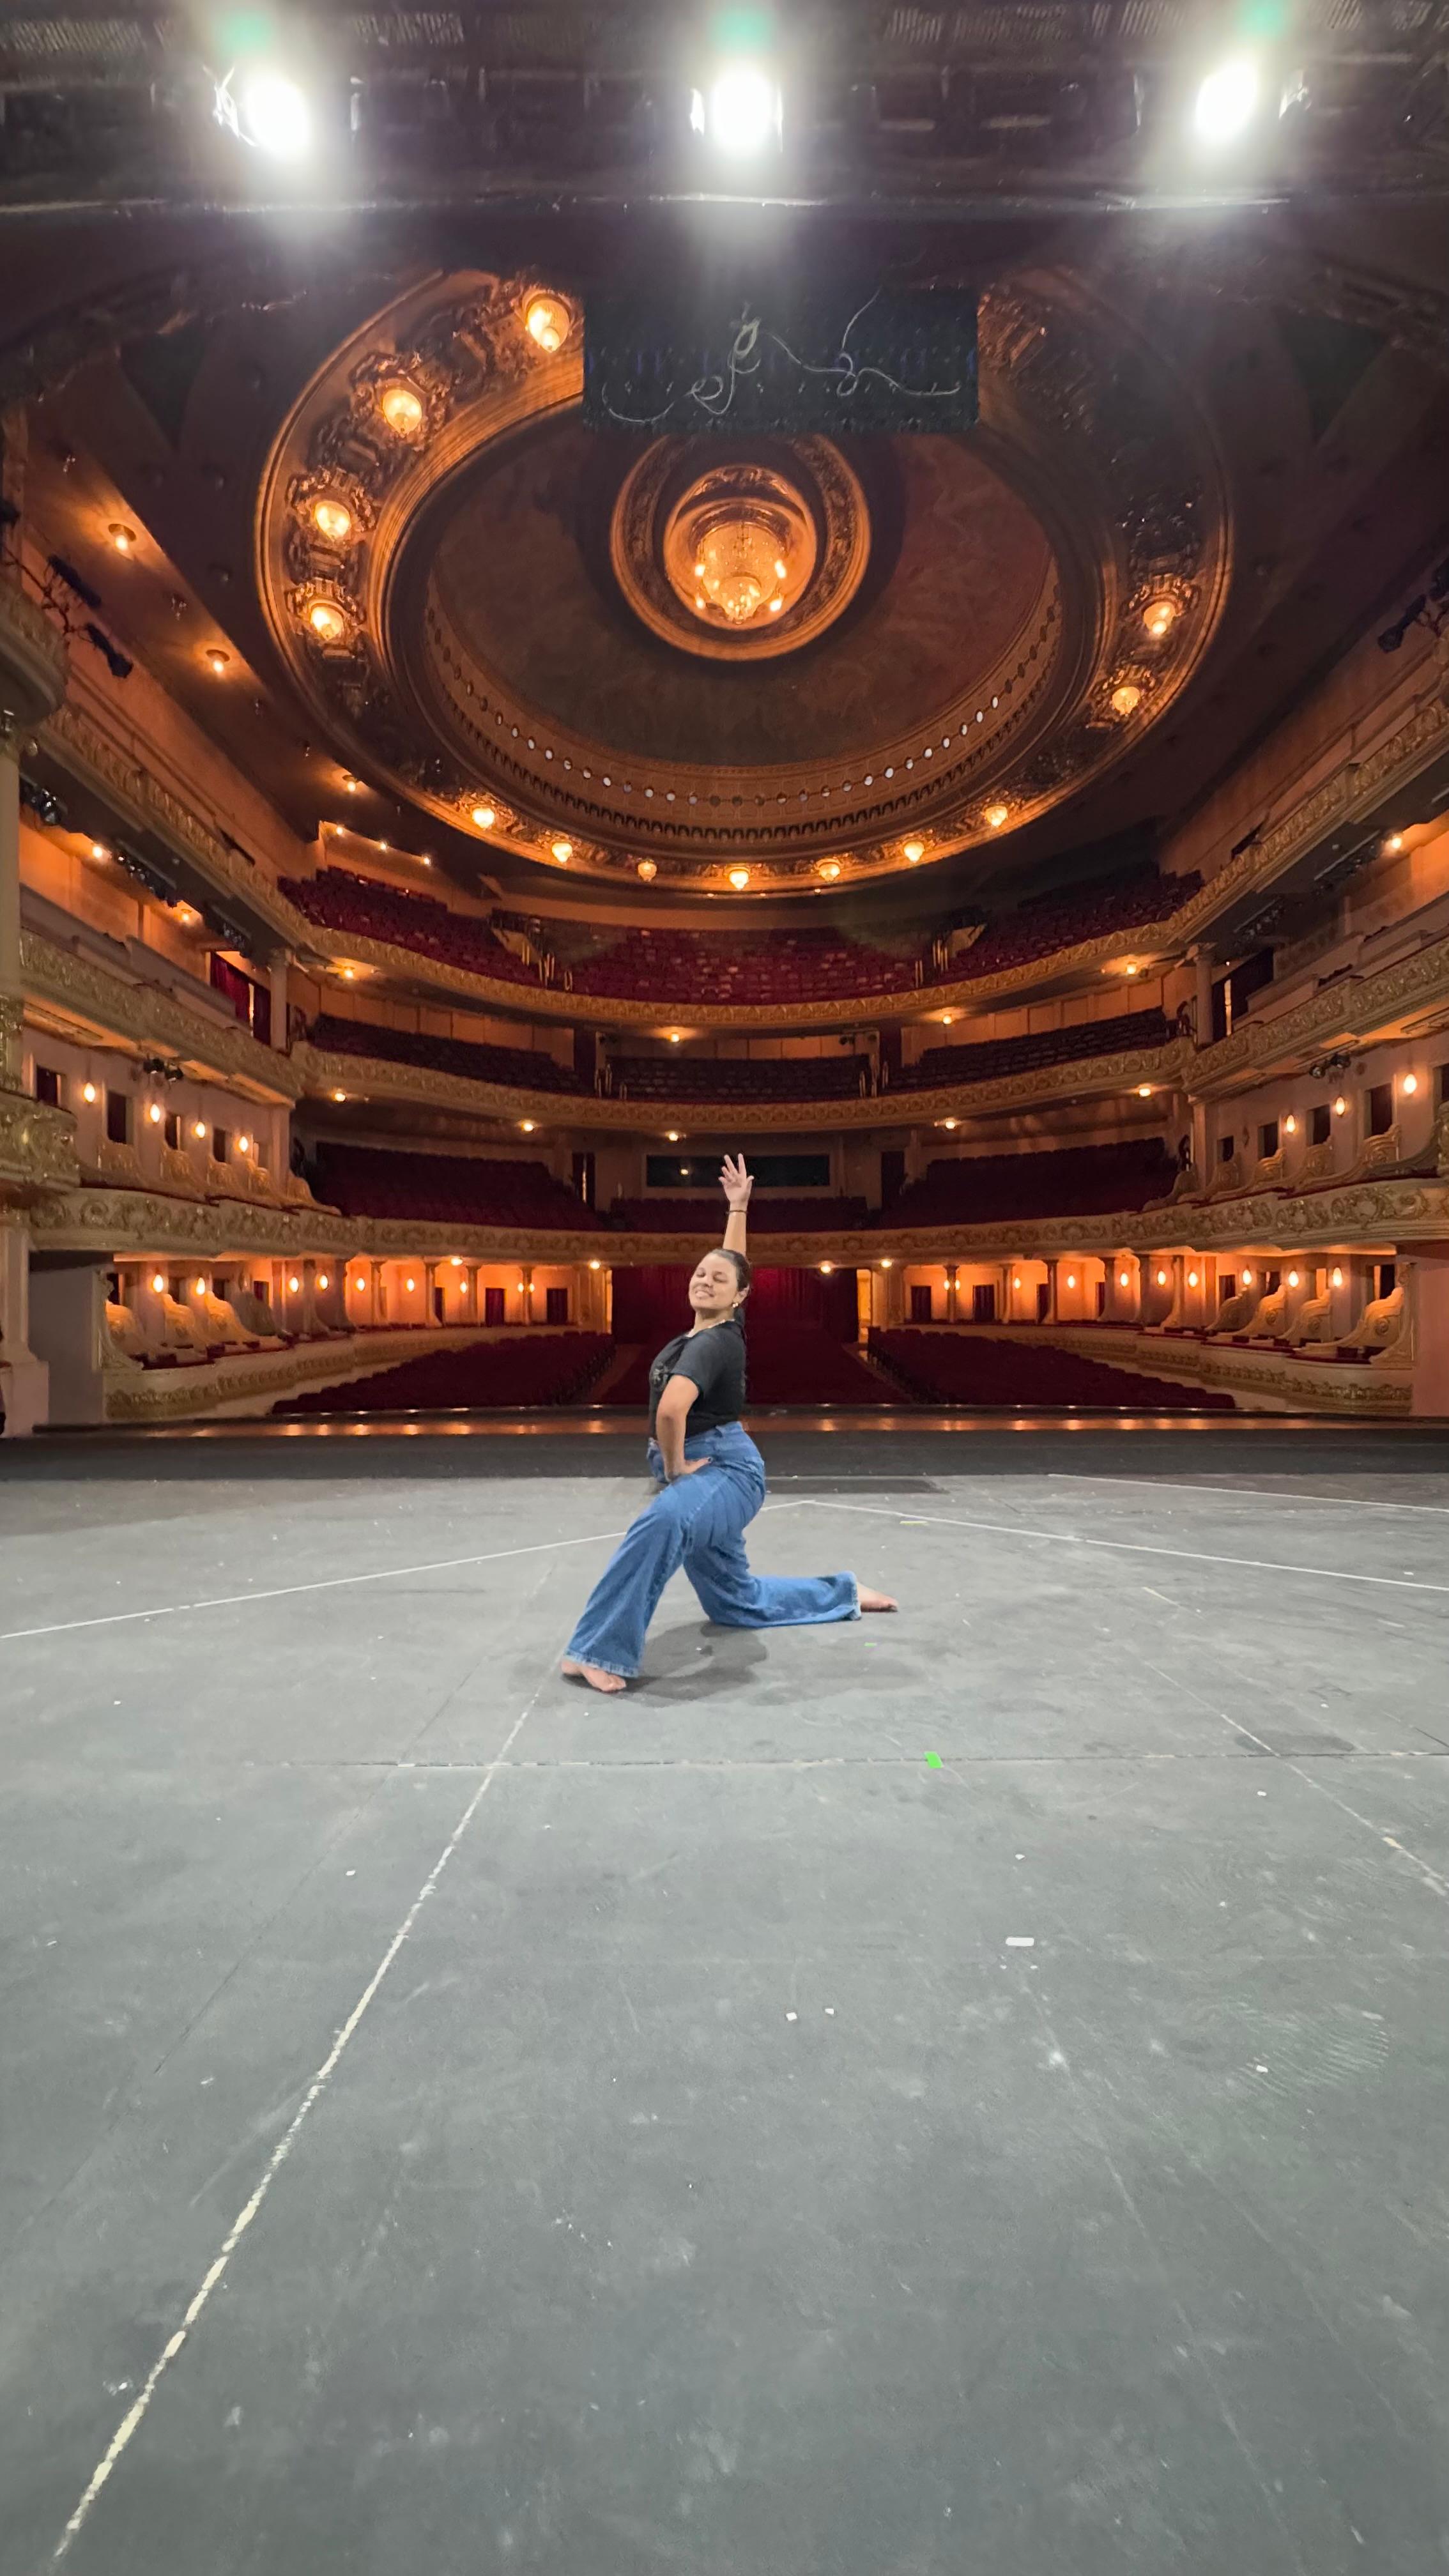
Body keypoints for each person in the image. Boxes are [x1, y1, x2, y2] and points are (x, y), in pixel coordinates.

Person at [562, 1154, 896, 1692]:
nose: (705, 1279)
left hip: (722, 1469)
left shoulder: (716, 1342)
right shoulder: (703, 1333)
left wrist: (674, 1472)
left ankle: (599, 1649)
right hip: (708, 1467)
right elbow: (733, 1262)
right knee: (735, 1603)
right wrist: (737, 1208)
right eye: (699, 1273)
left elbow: (672, 1410)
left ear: (739, 1297)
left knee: (661, 1525)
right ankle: (844, 1593)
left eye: (718, 1280)